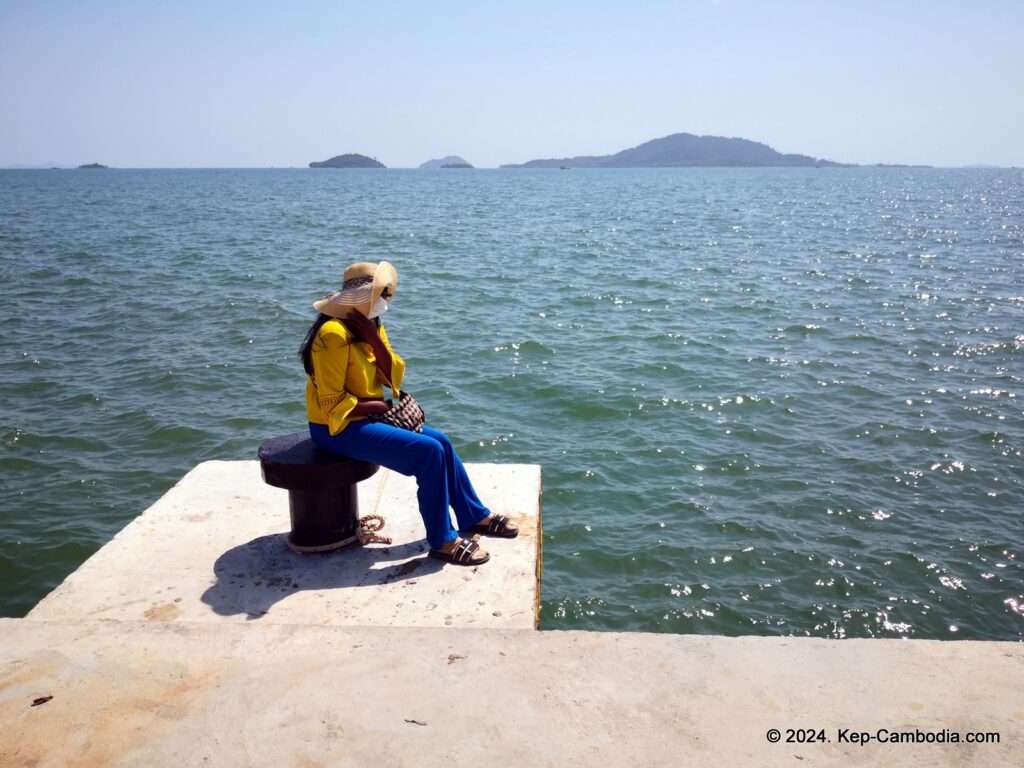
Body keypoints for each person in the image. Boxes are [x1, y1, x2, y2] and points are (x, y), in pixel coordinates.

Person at [300, 261, 517, 566]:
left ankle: (473, 514)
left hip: (367, 417)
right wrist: (374, 407)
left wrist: (374, 340)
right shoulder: (332, 334)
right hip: (336, 426)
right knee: (428, 452)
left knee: (441, 442)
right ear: (363, 298)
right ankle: (442, 540)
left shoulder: (370, 325)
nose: (386, 300)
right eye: (381, 294)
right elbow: (330, 402)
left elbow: (391, 378)